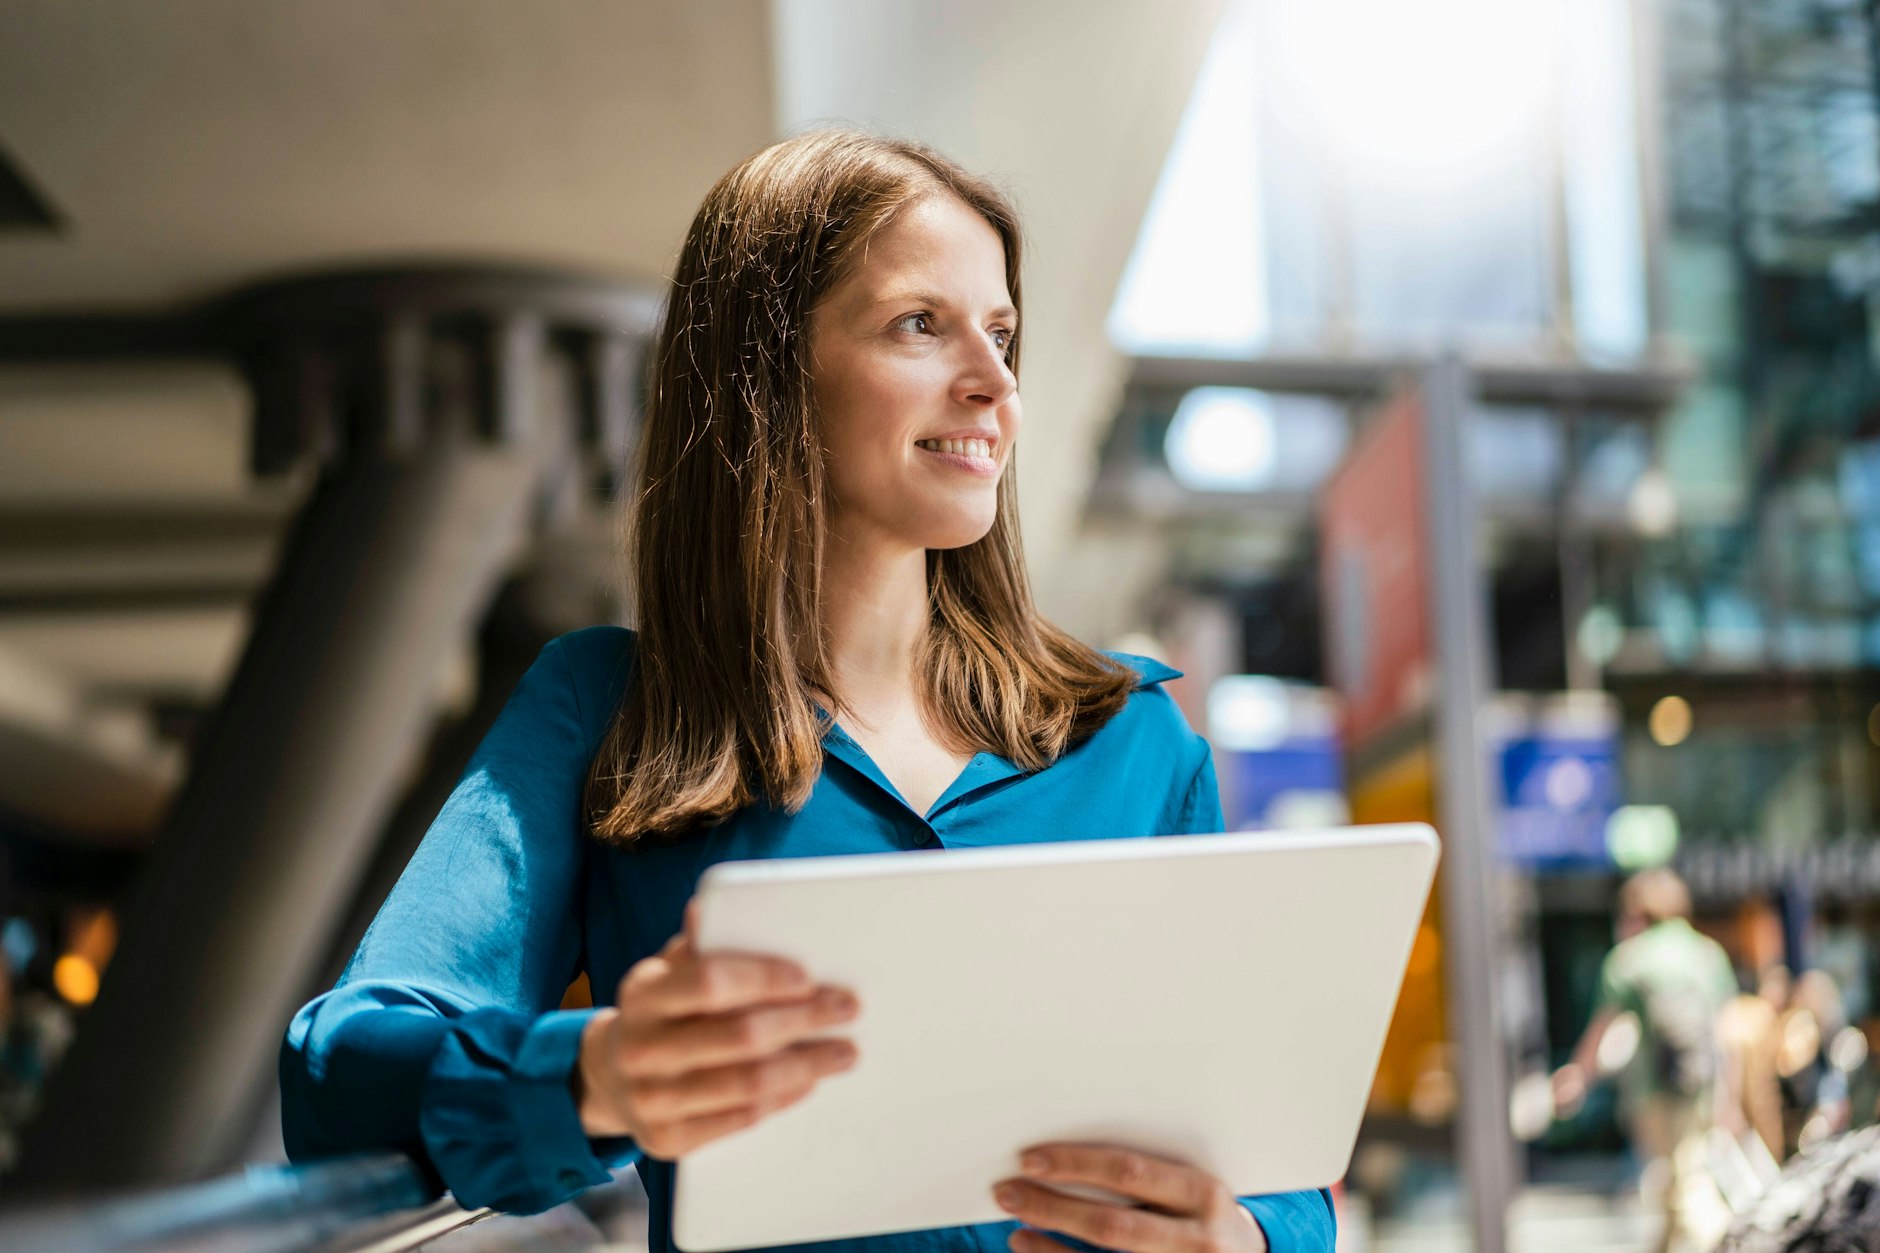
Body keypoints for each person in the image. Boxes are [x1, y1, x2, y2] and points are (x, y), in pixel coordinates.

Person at [280, 129, 1336, 1253]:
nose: (993, 384)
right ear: (769, 372)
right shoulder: (608, 707)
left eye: (1001, 332)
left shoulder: (1131, 736)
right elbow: (338, 1073)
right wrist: (593, 1076)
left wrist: (1250, 1237)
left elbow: (1275, 1168)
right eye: (919, 325)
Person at [1553, 868, 1737, 1253]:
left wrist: (1577, 1077)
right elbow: (1726, 1034)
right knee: (1678, 1180)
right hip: (1703, 1087)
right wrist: (1731, 1099)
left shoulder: (1628, 959)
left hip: (1651, 1091)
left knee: (1685, 1186)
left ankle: (1731, 1247)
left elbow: (1600, 1031)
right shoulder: (1707, 953)